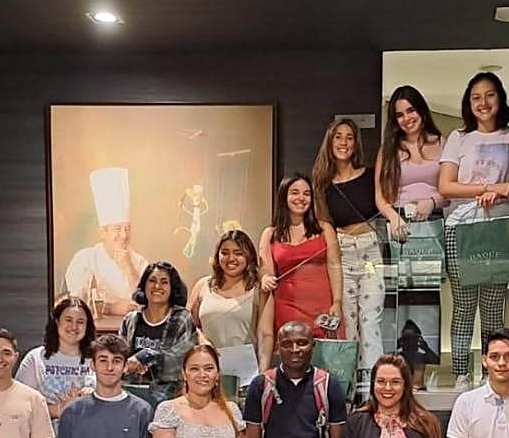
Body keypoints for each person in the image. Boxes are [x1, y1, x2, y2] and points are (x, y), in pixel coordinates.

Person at [438, 72, 509, 391]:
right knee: (463, 306)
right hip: (460, 226)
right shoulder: (458, 138)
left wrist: (504, 192)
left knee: (493, 308)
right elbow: (446, 186)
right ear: (468, 103)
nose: (483, 103)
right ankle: (463, 374)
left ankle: (493, 373)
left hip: (499, 227)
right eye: (476, 97)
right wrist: (490, 186)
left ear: (500, 99)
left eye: (490, 95)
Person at [313, 119, 384, 397]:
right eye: (338, 137)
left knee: (371, 320)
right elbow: (324, 225)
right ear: (329, 143)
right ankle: (350, 391)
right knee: (348, 321)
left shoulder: (368, 175)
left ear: (356, 143)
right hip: (341, 251)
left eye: (349, 137)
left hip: (369, 248)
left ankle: (375, 389)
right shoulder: (322, 184)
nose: (343, 143)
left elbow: (382, 204)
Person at [258, 173, 344, 342]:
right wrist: (265, 278)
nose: (301, 198)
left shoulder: (325, 229)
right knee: (293, 355)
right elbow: (265, 270)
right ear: (284, 196)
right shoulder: (270, 234)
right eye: (295, 192)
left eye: (306, 194)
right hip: (287, 307)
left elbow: (335, 266)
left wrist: (338, 302)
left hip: (323, 309)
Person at [64, 166, 147, 329]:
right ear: (102, 232)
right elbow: (76, 304)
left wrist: (128, 267)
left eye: (127, 228)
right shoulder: (84, 259)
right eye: (117, 228)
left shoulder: (139, 261)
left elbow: (147, 303)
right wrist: (111, 308)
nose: (124, 235)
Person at [119, 260, 198, 408]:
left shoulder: (182, 318)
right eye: (152, 281)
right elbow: (119, 357)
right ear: (144, 285)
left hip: (168, 401)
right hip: (129, 399)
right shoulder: (130, 320)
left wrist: (146, 357)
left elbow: (180, 361)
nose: (157, 286)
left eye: (164, 282)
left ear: (172, 288)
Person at [188, 229, 271, 369]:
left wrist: (263, 374)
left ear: (249, 256)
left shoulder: (259, 289)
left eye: (238, 253)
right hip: (206, 369)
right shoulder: (203, 285)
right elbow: (188, 325)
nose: (231, 258)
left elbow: (265, 334)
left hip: (246, 368)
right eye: (225, 253)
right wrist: (202, 339)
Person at [375, 85, 446, 239]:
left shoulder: (442, 143)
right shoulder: (387, 149)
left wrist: (432, 202)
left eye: (411, 110)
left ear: (421, 110)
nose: (406, 119)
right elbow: (379, 195)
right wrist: (393, 218)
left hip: (438, 219)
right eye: (400, 115)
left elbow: (451, 187)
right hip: (401, 221)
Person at [15, 296, 96, 423]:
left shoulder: (97, 359)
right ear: (57, 321)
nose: (74, 326)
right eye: (68, 320)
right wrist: (59, 409)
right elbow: (20, 407)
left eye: (80, 322)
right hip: (44, 437)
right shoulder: (35, 358)